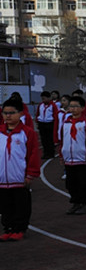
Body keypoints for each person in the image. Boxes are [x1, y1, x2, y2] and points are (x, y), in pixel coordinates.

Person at [0, 99, 39, 241]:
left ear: (21, 113)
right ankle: (8, 228)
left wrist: (30, 174)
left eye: (12, 113)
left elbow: (33, 154)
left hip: (19, 178)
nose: (8, 116)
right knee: (5, 205)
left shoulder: (27, 133)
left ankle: (19, 229)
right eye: (5, 113)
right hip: (2, 178)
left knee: (21, 204)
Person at [58, 95, 86, 215]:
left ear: (82, 108)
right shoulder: (66, 123)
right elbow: (63, 140)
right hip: (68, 158)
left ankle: (84, 204)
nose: (73, 109)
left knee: (84, 183)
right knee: (71, 183)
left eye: (76, 106)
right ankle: (75, 203)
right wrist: (61, 154)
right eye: (71, 106)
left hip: (82, 159)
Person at [36, 90, 60, 159]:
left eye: (44, 98)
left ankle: (51, 153)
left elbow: (55, 115)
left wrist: (55, 125)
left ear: (49, 98)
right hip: (42, 123)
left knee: (50, 139)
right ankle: (45, 153)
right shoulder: (40, 105)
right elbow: (38, 113)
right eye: (42, 98)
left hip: (49, 124)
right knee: (43, 140)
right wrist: (37, 122)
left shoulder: (53, 105)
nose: (43, 100)